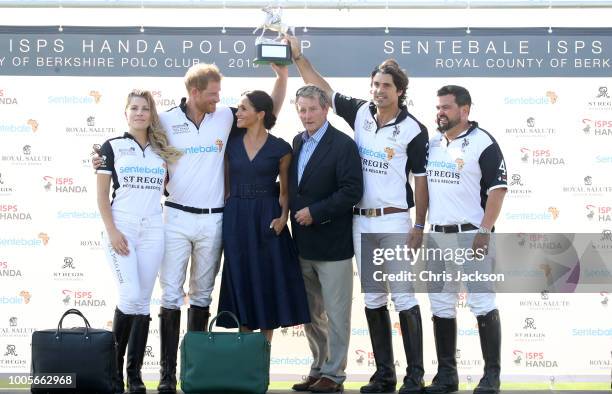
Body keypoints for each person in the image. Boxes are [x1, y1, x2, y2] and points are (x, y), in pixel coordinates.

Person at [94, 63, 287, 394]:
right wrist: (100, 157)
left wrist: (282, 77)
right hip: (175, 218)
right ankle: (167, 374)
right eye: (213, 93)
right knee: (170, 295)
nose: (219, 99)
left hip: (214, 218)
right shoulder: (166, 120)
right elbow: (134, 137)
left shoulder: (226, 116)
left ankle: (192, 371)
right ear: (195, 93)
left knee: (201, 295)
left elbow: (266, 110)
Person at [287, 34, 429, 394]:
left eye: (386, 86)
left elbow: (422, 181)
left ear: (400, 91)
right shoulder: (362, 112)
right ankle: (384, 375)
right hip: (361, 220)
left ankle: (414, 377)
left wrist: (418, 224)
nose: (379, 91)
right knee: (373, 298)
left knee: (404, 297)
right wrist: (299, 58)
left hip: (395, 219)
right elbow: (323, 90)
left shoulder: (414, 130)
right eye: (375, 84)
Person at [96, 89, 182, 394]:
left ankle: (133, 376)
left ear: (151, 114)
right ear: (126, 113)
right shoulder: (111, 147)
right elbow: (102, 198)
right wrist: (113, 231)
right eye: (134, 108)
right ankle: (112, 371)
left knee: (143, 303)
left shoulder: (162, 150)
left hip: (153, 230)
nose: (139, 113)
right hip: (122, 228)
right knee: (130, 295)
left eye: (145, 108)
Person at [424, 85, 507, 394]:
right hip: (438, 236)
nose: (440, 113)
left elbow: (497, 191)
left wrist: (485, 231)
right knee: (441, 305)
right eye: (438, 107)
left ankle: (491, 377)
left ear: (465, 110)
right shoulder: (432, 144)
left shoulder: (483, 142)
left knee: (482, 303)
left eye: (446, 107)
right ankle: (447, 376)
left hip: (472, 235)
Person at [215, 89, 311, 341]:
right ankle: (245, 354)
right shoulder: (230, 142)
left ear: (260, 114)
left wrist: (283, 218)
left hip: (268, 219)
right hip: (235, 216)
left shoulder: (281, 148)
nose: (238, 112)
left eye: (244, 108)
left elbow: (286, 190)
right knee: (240, 276)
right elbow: (224, 181)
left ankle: (263, 359)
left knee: (267, 279)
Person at [288, 84, 363, 393]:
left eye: (312, 109)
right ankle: (318, 368)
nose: (307, 115)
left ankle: (334, 375)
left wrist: (316, 212)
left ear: (325, 109)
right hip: (302, 244)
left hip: (333, 245)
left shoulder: (343, 145)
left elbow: (351, 191)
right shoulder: (296, 142)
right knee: (310, 315)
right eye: (302, 110)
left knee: (336, 314)